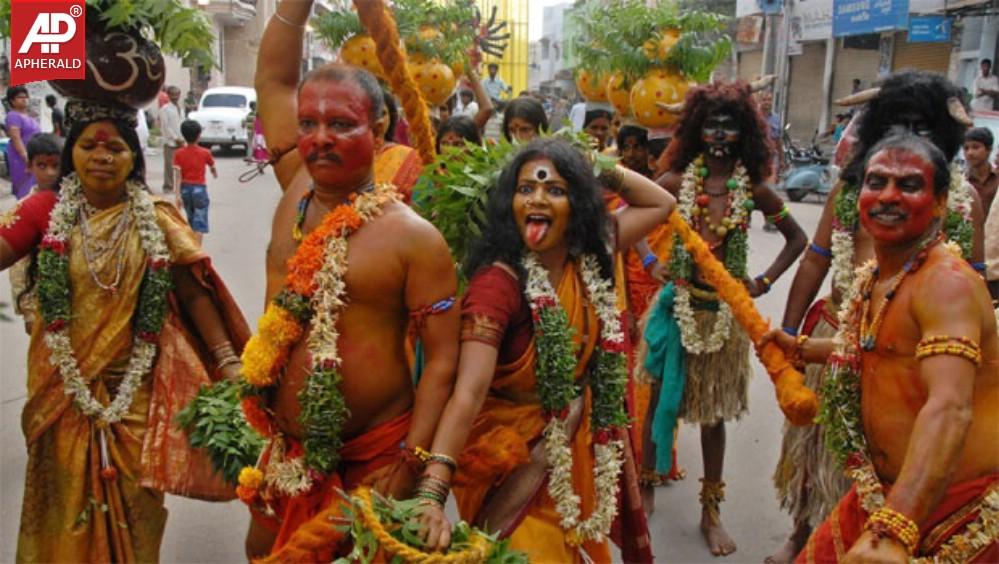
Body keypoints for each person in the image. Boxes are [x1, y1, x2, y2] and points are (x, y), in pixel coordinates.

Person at [245, 2, 460, 560]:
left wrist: (413, 463)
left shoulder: (415, 237)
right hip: (285, 450)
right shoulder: (295, 182)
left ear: (379, 128)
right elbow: (272, 78)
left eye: (341, 124)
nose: (320, 138)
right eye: (309, 123)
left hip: (374, 455)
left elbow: (442, 362)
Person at [0, 96, 248, 563]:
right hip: (61, 393)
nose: (102, 156)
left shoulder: (154, 215)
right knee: (61, 504)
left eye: (115, 147)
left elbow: (193, 291)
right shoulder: (45, 212)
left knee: (137, 507)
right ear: (73, 152)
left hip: (134, 396)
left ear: (134, 157)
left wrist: (228, 361)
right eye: (90, 146)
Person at [412, 138, 673, 561]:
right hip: (510, 460)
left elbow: (660, 203)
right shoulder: (497, 285)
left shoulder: (587, 254)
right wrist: (432, 490)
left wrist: (595, 166)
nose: (538, 198)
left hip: (571, 450)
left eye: (555, 189)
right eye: (526, 188)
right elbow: (469, 391)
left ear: (579, 205)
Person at [771, 69, 986, 564]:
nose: (906, 139)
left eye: (922, 129)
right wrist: (791, 336)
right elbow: (817, 257)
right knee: (819, 447)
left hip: (922, 346)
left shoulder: (958, 229)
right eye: (895, 126)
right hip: (847, 328)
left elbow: (971, 281)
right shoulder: (851, 193)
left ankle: (890, 528)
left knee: (902, 447)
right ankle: (806, 529)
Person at [650, 81, 808, 557]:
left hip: (724, 314)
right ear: (698, 130)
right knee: (659, 399)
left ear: (744, 134)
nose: (720, 133)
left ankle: (710, 510)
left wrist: (760, 283)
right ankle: (644, 488)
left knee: (713, 416)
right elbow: (632, 210)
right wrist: (645, 259)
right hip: (676, 306)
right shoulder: (678, 182)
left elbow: (797, 239)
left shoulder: (755, 189)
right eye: (712, 124)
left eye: (730, 125)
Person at [7, 133, 62, 333]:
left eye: (56, 165)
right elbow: (19, 266)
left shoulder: (76, 203)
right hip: (41, 298)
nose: (50, 173)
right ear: (29, 166)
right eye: (42, 166)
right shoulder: (24, 209)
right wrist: (28, 311)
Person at [172, 120, 217, 244]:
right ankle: (197, 251)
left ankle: (192, 247)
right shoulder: (205, 152)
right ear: (199, 135)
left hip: (185, 190)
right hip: (200, 189)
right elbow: (212, 165)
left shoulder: (178, 153)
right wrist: (214, 173)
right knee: (200, 222)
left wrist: (177, 196)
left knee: (191, 220)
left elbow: (177, 175)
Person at [5, 86, 41, 199]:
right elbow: (16, 138)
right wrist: (26, 158)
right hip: (22, 158)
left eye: (26, 97)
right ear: (12, 101)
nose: (24, 99)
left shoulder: (29, 116)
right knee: (25, 189)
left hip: (34, 155)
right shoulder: (13, 116)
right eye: (20, 97)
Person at [964, 127, 997, 216]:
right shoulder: (961, 182)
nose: (969, 153)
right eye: (966, 148)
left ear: (989, 150)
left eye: (975, 147)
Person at [158, 86, 183, 194]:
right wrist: (175, 138)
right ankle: (168, 187)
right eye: (172, 94)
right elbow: (165, 126)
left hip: (181, 141)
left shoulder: (179, 109)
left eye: (177, 94)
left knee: (181, 166)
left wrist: (182, 138)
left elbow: (181, 124)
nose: (175, 97)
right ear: (168, 95)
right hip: (170, 142)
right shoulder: (165, 109)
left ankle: (179, 186)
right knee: (169, 166)